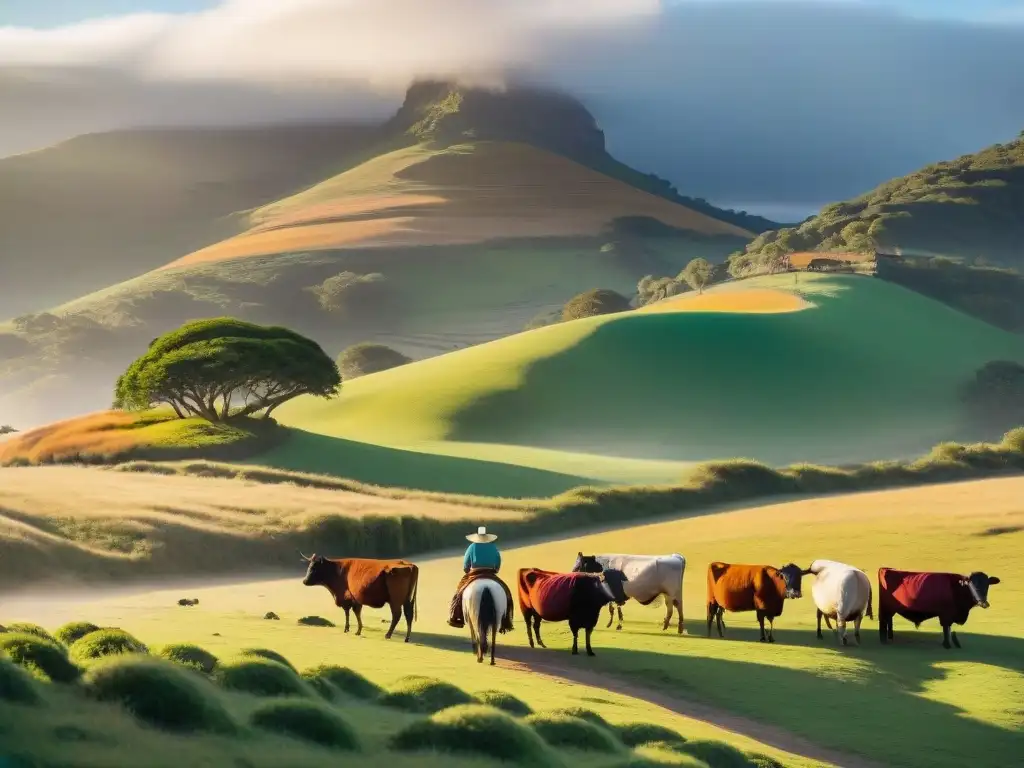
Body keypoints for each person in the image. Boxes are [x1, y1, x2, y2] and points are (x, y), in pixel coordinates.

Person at [448, 526, 514, 632]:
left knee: (459, 592)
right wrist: (495, 569)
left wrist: (468, 571)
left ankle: (455, 616)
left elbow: (465, 565)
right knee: (507, 593)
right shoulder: (493, 547)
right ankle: (507, 620)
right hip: (490, 572)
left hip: (474, 573)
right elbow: (497, 563)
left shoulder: (472, 547)